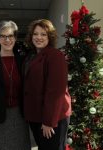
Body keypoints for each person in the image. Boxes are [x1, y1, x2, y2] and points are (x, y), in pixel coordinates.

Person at [0, 20, 31, 150]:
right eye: (3, 36)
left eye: (10, 36)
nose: (7, 40)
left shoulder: (23, 60)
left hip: (20, 117)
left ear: (15, 38)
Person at [23, 19, 72, 150]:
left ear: (50, 37)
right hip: (37, 116)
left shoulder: (55, 56)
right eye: (35, 34)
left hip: (51, 119)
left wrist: (49, 122)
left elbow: (56, 92)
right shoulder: (32, 56)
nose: (39, 37)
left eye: (43, 34)